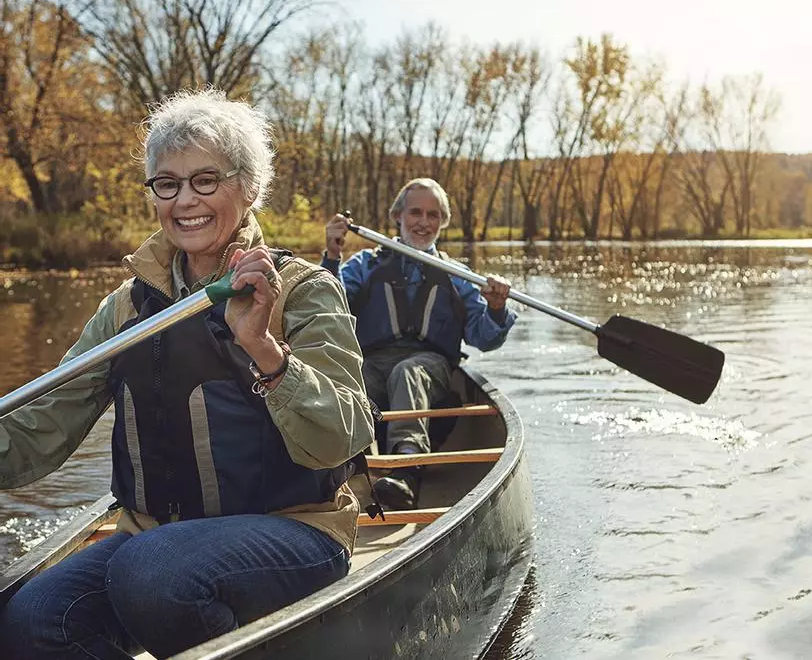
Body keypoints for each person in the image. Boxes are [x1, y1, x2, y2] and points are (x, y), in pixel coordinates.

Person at [0, 89, 375, 659]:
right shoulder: (126, 310)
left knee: (151, 575)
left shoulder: (303, 289)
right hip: (152, 541)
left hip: (296, 531)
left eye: (206, 180)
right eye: (167, 183)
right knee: (33, 620)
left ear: (248, 188)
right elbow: (40, 427)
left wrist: (265, 349)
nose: (184, 201)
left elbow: (345, 435)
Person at [322, 178, 515, 510]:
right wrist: (332, 255)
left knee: (407, 372)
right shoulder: (365, 265)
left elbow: (484, 337)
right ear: (398, 215)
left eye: (433, 215)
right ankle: (346, 470)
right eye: (416, 213)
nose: (424, 223)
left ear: (442, 222)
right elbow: (326, 308)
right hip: (373, 362)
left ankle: (406, 470)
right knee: (351, 376)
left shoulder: (457, 275)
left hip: (430, 367)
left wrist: (497, 308)